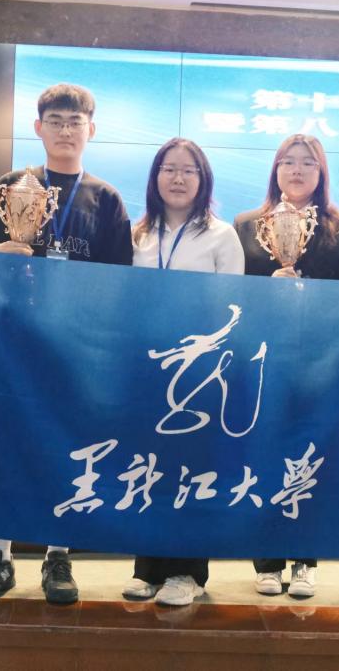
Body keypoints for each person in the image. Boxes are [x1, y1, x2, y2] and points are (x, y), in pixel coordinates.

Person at [0, 83, 132, 605]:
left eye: (75, 121)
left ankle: (58, 554)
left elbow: (120, 281)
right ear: (38, 128)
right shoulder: (9, 187)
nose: (65, 130)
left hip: (75, 347)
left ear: (91, 130)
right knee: (5, 444)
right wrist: (0, 249)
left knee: (68, 445)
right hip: (11, 341)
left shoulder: (106, 199)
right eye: (55, 120)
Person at [233, 133, 339, 598]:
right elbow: (233, 293)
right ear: (276, 169)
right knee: (263, 454)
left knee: (311, 454)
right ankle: (266, 560)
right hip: (261, 358)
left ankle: (306, 559)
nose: (297, 170)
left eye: (308, 162)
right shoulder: (247, 225)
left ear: (321, 171)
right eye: (288, 161)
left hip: (321, 361)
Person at [123, 137, 243, 606]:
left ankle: (188, 572)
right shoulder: (138, 234)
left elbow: (233, 306)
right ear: (155, 177)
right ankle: (147, 569)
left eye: (188, 170)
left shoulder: (221, 235)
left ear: (203, 179)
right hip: (148, 364)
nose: (178, 178)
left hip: (200, 372)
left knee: (193, 467)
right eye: (169, 169)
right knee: (149, 464)